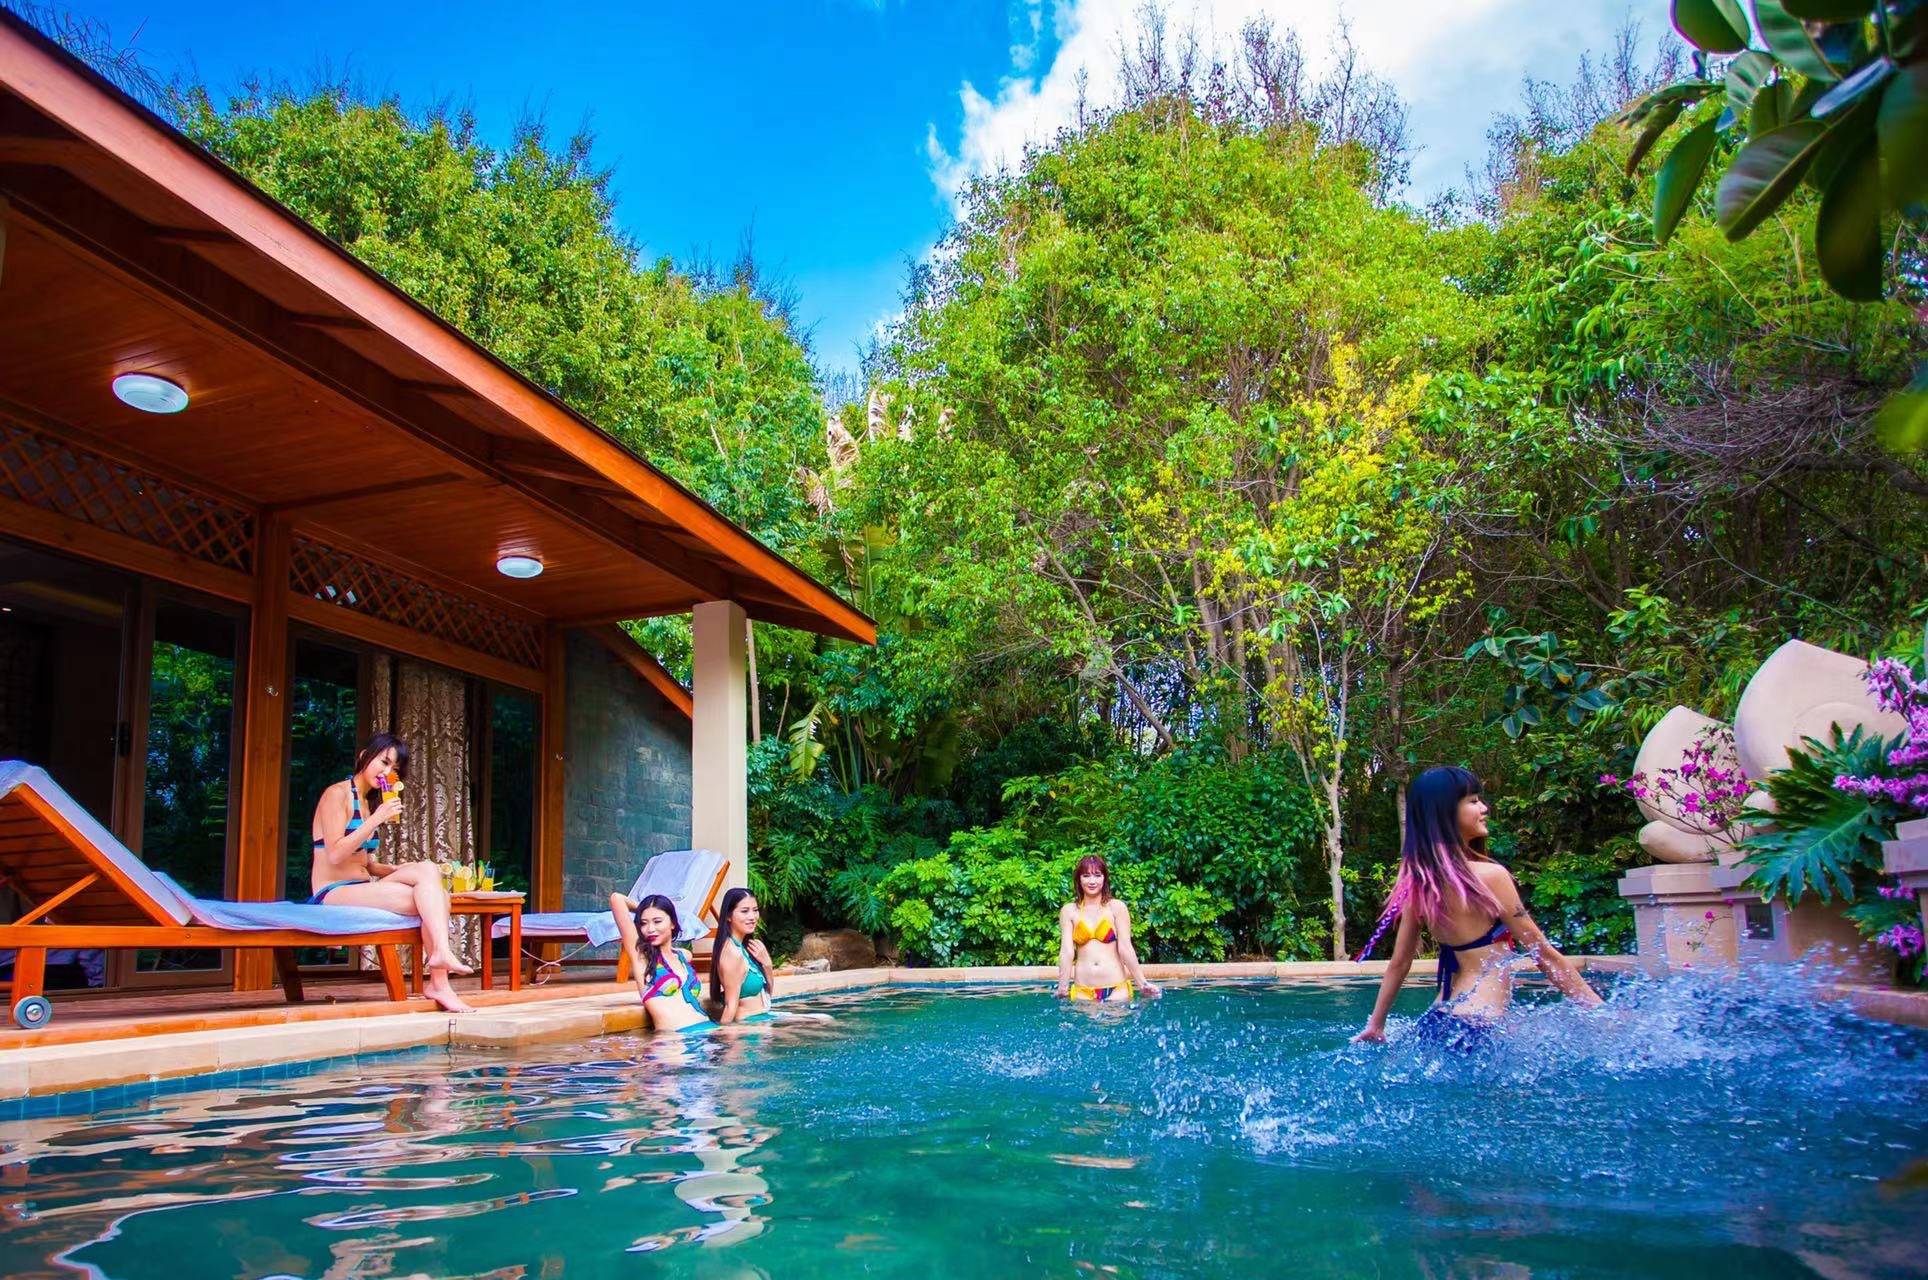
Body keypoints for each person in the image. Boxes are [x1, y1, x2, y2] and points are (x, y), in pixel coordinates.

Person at [1353, 765, 1602, 1045]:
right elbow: (1543, 955)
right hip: (1479, 1026)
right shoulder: (1491, 876)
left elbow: (1399, 964)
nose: (1484, 808)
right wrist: (1601, 1013)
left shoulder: (1420, 884)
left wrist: (1376, 1025)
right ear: (1446, 813)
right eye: (1473, 801)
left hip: (1438, 1020)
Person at [309, 733, 474, 1014]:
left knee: (427, 870)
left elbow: (368, 863)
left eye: (394, 768)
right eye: (384, 762)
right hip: (333, 890)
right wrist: (377, 818)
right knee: (434, 899)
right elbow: (335, 854)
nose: (387, 772)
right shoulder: (336, 794)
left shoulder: (368, 801)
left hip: (363, 885)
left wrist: (399, 869)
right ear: (364, 756)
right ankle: (440, 977)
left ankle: (440, 961)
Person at [1054, 855, 1159, 1002]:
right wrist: (1062, 986)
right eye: (1086, 876)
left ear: (1104, 878)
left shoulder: (1117, 907)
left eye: (1097, 875)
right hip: (1082, 991)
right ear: (1079, 879)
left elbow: (1125, 948)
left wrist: (1142, 984)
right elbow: (1066, 951)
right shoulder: (1069, 911)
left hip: (1117, 990)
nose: (1092, 881)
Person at [610, 891, 713, 1034]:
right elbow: (616, 899)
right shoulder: (642, 958)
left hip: (707, 1029)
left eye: (657, 921)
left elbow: (685, 954)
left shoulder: (682, 956)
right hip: (675, 1040)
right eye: (643, 923)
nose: (650, 929)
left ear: (672, 923)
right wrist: (645, 908)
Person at [710, 887, 776, 1024]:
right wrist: (723, 1035)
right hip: (749, 1026)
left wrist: (767, 964)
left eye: (755, 910)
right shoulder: (732, 953)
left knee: (818, 1019)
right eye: (744, 911)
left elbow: (767, 995)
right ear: (728, 916)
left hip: (762, 1019)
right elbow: (730, 1007)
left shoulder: (746, 948)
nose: (752, 917)